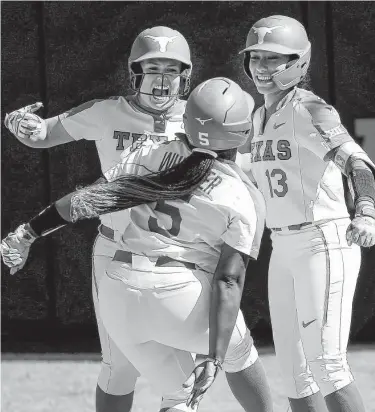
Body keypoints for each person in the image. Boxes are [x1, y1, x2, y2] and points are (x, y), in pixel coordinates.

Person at [1, 77, 274, 411]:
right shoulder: (243, 194)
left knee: (177, 394)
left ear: (186, 120)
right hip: (181, 295)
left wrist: (27, 233)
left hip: (119, 295)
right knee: (239, 354)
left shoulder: (149, 150)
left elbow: (87, 201)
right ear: (243, 133)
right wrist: (214, 357)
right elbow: (228, 279)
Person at [3, 25, 197, 412]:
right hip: (118, 250)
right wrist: (19, 125)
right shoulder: (108, 111)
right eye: (152, 67)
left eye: (171, 68)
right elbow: (41, 135)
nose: (162, 78)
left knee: (185, 370)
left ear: (186, 75)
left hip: (185, 254)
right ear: (134, 73)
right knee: (119, 368)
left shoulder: (202, 118)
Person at [237, 14, 375, 412]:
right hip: (283, 245)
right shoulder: (259, 116)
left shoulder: (309, 109)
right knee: (296, 371)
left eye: (273, 59)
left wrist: (365, 210)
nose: (261, 68)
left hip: (324, 241)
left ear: (298, 61)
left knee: (328, 366)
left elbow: (360, 165)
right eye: (256, 58)